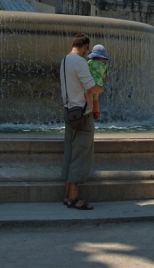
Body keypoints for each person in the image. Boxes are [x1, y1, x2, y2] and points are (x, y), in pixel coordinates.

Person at [60, 34, 103, 210]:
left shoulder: (64, 61)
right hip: (82, 114)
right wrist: (102, 88)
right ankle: (75, 198)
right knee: (81, 155)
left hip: (69, 112)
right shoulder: (80, 62)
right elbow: (91, 87)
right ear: (86, 47)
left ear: (72, 44)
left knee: (70, 153)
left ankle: (67, 195)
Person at [86, 44, 109, 120]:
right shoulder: (104, 66)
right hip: (99, 82)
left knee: (88, 93)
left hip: (92, 81)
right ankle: (97, 112)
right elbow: (104, 76)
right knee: (96, 98)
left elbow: (85, 70)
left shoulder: (90, 62)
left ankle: (90, 108)